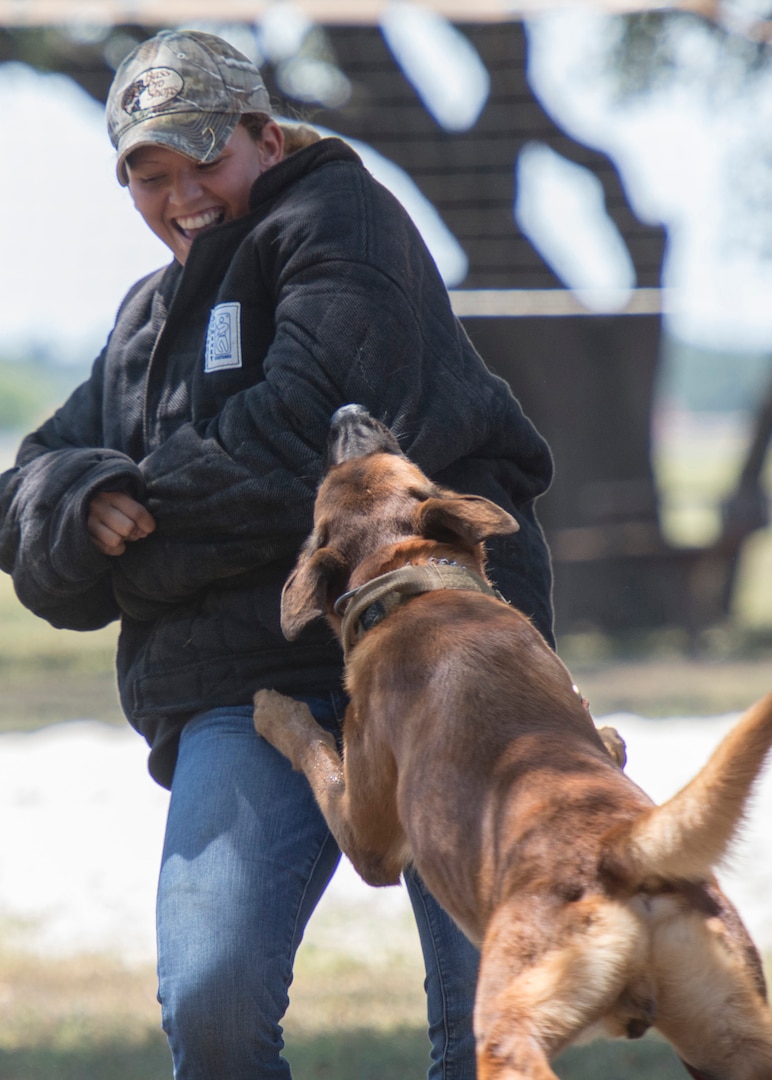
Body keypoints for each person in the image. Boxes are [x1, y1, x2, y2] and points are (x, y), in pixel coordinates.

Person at [0, 28, 554, 1080]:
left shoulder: (342, 222)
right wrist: (80, 498)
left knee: (489, 1023)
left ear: (264, 132)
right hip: (247, 685)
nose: (182, 194)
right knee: (210, 1001)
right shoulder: (148, 320)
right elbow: (29, 481)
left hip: (445, 674)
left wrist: (139, 558)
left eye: (204, 157)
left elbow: (306, 447)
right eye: (150, 176)